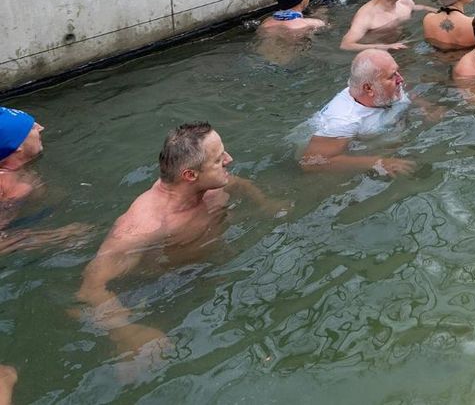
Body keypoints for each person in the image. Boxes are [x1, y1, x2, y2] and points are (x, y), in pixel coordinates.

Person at [77, 123, 279, 357]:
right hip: (161, 289)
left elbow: (240, 184)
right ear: (190, 174)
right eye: (218, 159)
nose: (229, 159)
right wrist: (127, 331)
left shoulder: (212, 184)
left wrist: (267, 204)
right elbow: (90, 289)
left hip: (211, 267)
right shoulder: (144, 227)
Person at [300, 49, 414, 176]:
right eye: (392, 76)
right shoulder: (344, 121)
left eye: (397, 72)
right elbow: (310, 163)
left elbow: (405, 92)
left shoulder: (384, 90)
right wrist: (377, 163)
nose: (401, 79)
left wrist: (427, 106)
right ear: (369, 88)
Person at [0, 107, 89, 255]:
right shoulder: (13, 186)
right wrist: (58, 236)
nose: (40, 128)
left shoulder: (15, 174)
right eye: (31, 128)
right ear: (17, 149)